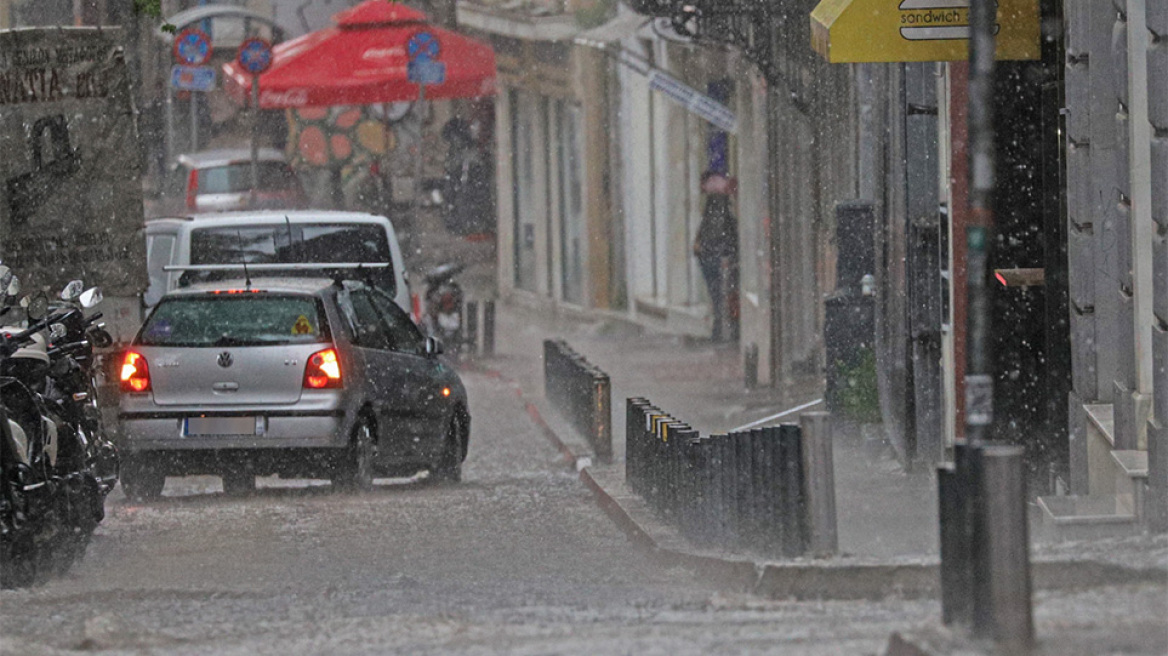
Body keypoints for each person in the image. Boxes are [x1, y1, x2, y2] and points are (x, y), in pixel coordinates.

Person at [693, 174, 739, 342]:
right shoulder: (723, 212)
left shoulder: (714, 211)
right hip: (718, 256)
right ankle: (724, 330)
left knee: (718, 295)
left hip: (713, 256)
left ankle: (721, 330)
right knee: (722, 294)